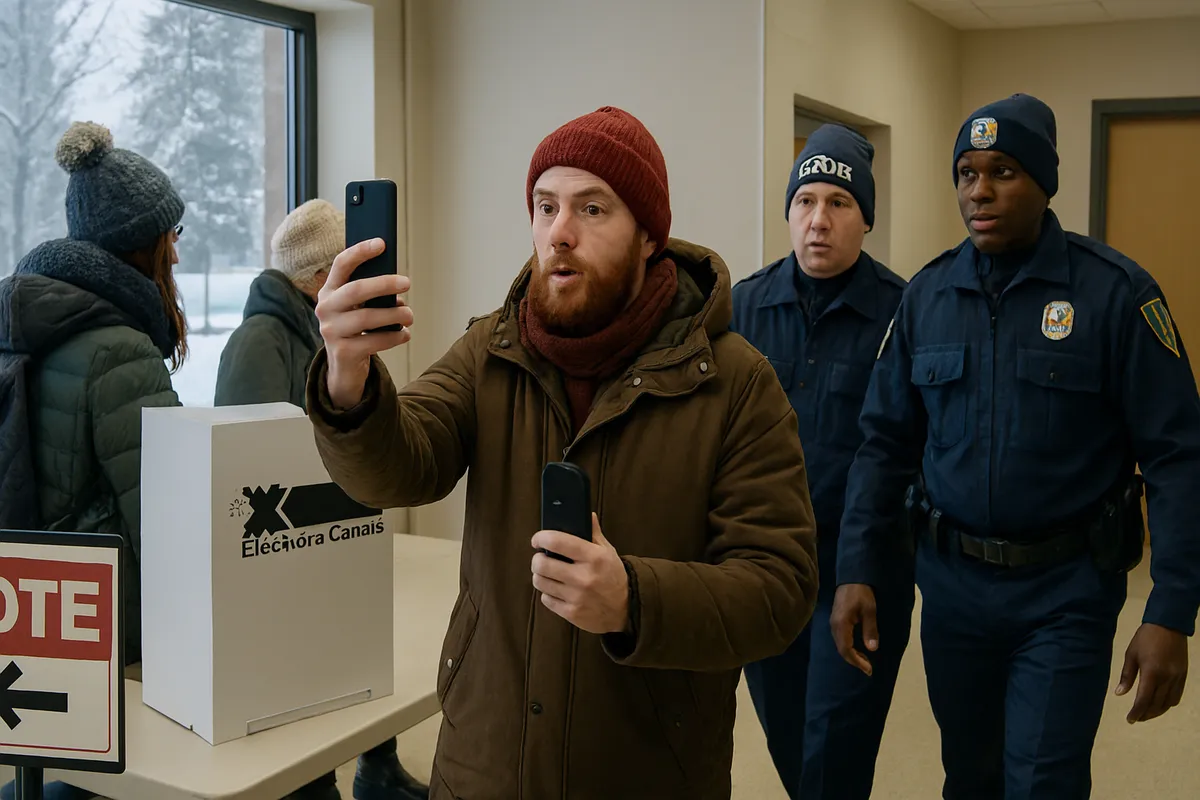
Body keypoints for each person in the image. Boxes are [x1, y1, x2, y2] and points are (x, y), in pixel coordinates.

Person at [303, 106, 819, 799]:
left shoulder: (734, 383)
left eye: (592, 209)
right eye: (545, 207)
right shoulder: (490, 349)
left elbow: (779, 588)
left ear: (649, 236)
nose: (559, 232)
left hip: (645, 772)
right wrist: (347, 374)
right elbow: (398, 468)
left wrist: (634, 600)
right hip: (485, 764)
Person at [832, 93, 1200, 799]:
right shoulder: (928, 297)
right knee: (970, 777)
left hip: (1066, 591)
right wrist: (856, 567)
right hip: (953, 589)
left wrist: (1171, 608)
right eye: (966, 173)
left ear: (1044, 181)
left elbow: (1178, 457)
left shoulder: (1115, 295)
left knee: (1042, 782)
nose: (979, 191)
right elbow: (882, 445)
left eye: (1002, 171)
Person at [214, 198, 429, 800]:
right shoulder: (260, 340)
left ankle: (376, 767)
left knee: (354, 652)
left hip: (328, 530)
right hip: (287, 543)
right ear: (317, 277)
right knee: (305, 674)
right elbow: (245, 463)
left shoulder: (315, 331)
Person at [0, 121, 187, 800]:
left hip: (29, 597)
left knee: (51, 766)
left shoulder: (24, 322)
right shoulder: (119, 349)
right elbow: (167, 515)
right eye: (171, 234)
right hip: (104, 609)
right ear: (142, 244)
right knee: (109, 776)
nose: (176, 249)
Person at [731, 124, 912, 799]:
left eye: (839, 203)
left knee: (836, 755)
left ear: (866, 219)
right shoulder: (744, 307)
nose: (819, 220)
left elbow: (898, 452)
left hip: (860, 576)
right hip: (768, 570)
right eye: (805, 201)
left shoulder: (903, 311)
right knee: (789, 744)